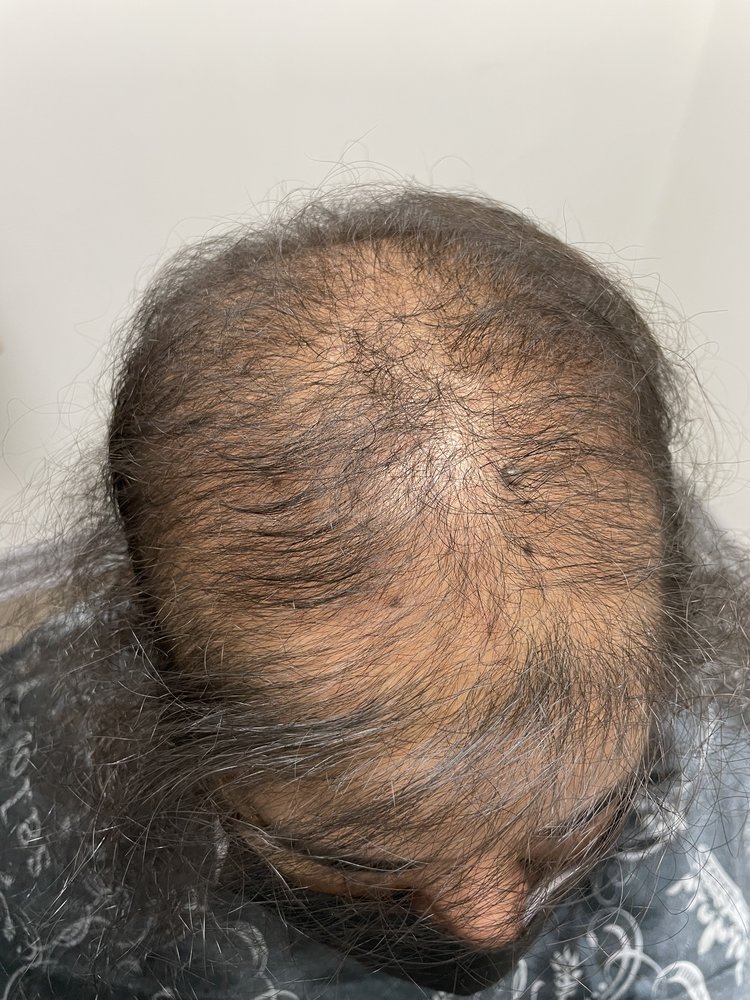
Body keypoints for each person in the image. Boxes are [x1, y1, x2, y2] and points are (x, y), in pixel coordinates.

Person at [0, 188, 748, 1000]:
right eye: (355, 858)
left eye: (573, 818)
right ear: (159, 683)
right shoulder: (36, 840)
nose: (489, 919)